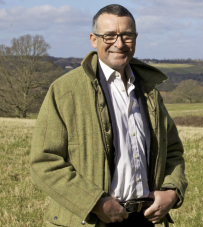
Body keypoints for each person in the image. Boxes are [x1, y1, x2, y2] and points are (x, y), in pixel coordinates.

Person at [30, 4, 187, 227]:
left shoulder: (149, 91)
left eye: (127, 36)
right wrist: (94, 203)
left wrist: (172, 191)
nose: (119, 44)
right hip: (88, 219)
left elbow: (172, 150)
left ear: (135, 38)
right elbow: (44, 162)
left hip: (144, 219)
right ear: (94, 40)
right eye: (110, 36)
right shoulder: (64, 91)